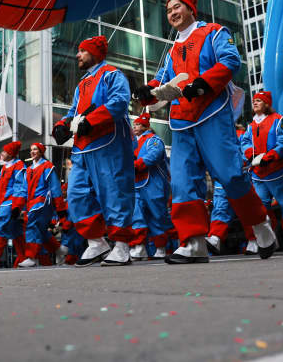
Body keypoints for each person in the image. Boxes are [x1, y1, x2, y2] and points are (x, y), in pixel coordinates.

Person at [136, 0, 277, 263]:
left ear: (191, 9)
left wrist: (202, 83)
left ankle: (260, 224)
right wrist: (148, 91)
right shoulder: (172, 50)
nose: (172, 13)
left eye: (176, 7)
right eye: (168, 10)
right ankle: (194, 243)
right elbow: (165, 83)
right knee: (182, 182)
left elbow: (229, 61)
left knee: (231, 175)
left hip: (212, 112)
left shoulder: (214, 32)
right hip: (181, 120)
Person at [52, 35, 137, 266]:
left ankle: (121, 246)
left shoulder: (112, 75)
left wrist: (93, 120)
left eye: (82, 51)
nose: (77, 55)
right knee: (77, 194)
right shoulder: (82, 83)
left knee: (114, 192)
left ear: (95, 53)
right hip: (82, 148)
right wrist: (61, 127)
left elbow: (119, 102)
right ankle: (97, 243)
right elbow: (73, 112)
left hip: (108, 144)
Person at [242, 91, 283, 253]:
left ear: (267, 104)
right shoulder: (250, 126)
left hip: (279, 170)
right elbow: (245, 143)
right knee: (261, 207)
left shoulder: (279, 121)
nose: (255, 103)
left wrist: (268, 157)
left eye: (259, 101)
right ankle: (269, 240)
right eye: (254, 100)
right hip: (258, 172)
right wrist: (251, 154)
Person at [130, 113, 173, 260]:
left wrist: (135, 165)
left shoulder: (154, 140)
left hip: (153, 183)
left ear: (145, 126)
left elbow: (154, 156)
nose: (134, 127)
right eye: (134, 124)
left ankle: (161, 247)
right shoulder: (133, 142)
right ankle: (139, 247)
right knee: (137, 216)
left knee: (157, 215)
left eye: (137, 124)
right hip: (136, 183)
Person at [19, 142, 68, 267]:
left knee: (32, 226)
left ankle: (31, 257)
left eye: (35, 149)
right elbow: (24, 190)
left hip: (43, 202)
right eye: (31, 149)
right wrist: (21, 207)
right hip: (32, 204)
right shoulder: (29, 169)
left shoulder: (47, 166)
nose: (32, 152)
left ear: (41, 151)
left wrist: (60, 208)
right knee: (40, 230)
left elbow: (55, 188)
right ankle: (59, 250)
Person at [0, 140, 28, 267]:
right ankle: (24, 258)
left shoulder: (19, 165)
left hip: (10, 203)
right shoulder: (5, 167)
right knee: (16, 231)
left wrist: (17, 205)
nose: (1, 153)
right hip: (5, 203)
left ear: (10, 153)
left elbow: (21, 186)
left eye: (4, 151)